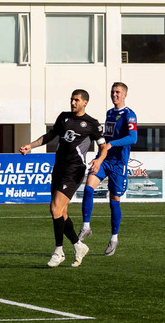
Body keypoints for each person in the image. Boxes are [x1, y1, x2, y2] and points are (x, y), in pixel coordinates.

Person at [20, 90, 109, 268]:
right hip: (59, 168)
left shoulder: (91, 124)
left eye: (77, 100)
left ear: (85, 102)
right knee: (61, 212)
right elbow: (49, 136)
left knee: (55, 208)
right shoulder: (64, 117)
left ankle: (58, 251)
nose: (73, 103)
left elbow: (104, 147)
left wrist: (99, 161)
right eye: (72, 100)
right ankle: (78, 246)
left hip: (74, 171)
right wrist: (31, 145)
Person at [79, 82, 137, 256]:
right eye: (113, 92)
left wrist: (112, 144)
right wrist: (100, 154)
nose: (114, 95)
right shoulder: (110, 113)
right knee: (88, 187)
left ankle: (114, 238)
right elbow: (106, 136)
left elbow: (133, 138)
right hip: (104, 159)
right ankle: (86, 227)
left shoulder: (129, 115)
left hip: (118, 163)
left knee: (114, 200)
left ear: (124, 95)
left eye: (118, 92)